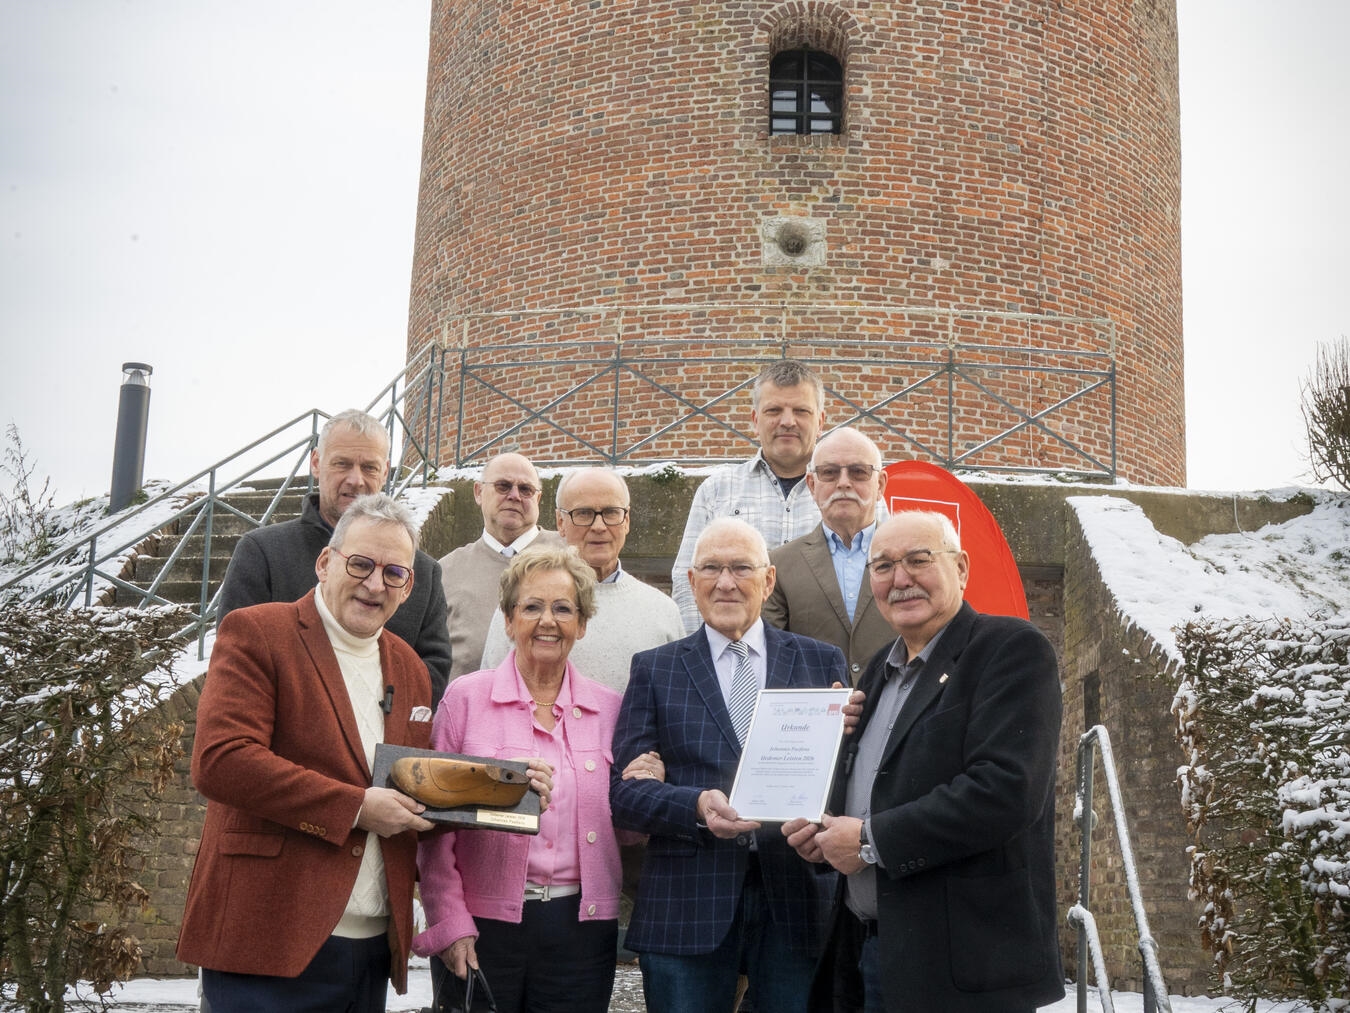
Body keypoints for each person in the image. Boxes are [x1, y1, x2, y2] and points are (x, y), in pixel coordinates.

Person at [783, 511, 1064, 1012]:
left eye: (918, 560)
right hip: (867, 950)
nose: (900, 579)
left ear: (961, 568)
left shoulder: (1010, 649)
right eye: (883, 566)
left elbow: (1005, 791)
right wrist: (824, 833)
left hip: (962, 966)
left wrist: (867, 840)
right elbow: (881, 784)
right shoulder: (879, 668)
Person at [179, 494, 438, 1011]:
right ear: (325, 563)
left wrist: (507, 793)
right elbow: (222, 760)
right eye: (360, 564)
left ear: (408, 587)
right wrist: (357, 807)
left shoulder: (410, 667)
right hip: (267, 937)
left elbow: (409, 787)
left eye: (393, 573)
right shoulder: (258, 631)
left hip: (371, 948)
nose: (374, 585)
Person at [612, 517, 847, 1013]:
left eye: (741, 568)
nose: (725, 582)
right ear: (691, 581)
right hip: (686, 901)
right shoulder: (655, 668)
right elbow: (626, 794)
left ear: (768, 580)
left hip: (796, 897)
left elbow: (843, 779)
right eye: (711, 569)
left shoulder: (821, 663)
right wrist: (695, 805)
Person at [415, 545, 663, 1013]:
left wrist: (647, 784)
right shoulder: (465, 700)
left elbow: (627, 832)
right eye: (532, 607)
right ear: (509, 621)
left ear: (582, 624)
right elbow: (433, 830)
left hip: (582, 931)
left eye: (563, 609)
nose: (548, 621)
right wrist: (448, 921)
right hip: (482, 926)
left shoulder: (611, 709)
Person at [216, 409, 452, 704]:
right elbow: (237, 660)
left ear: (385, 472)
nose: (356, 480)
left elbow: (432, 676)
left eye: (369, 467)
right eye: (342, 464)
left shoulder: (422, 572)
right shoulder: (263, 552)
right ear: (316, 463)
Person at [480, 467, 684, 691]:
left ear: (626, 520)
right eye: (584, 513)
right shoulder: (523, 603)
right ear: (560, 522)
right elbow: (491, 693)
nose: (599, 526)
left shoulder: (663, 611)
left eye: (611, 512)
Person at [670, 359, 826, 633]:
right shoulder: (716, 491)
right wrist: (707, 653)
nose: (787, 421)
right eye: (774, 410)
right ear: (755, 420)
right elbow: (687, 581)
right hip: (732, 652)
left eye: (801, 411)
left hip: (820, 657)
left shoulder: (852, 493)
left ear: (820, 421)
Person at [762, 428, 894, 682]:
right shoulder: (779, 565)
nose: (843, 483)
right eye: (829, 472)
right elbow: (772, 656)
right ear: (812, 485)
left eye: (858, 472)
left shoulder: (912, 560)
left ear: (880, 484)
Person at [438, 452, 564, 680]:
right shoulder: (445, 571)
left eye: (525, 489)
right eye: (503, 486)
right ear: (478, 492)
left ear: (538, 499)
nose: (514, 496)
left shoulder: (570, 556)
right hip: (469, 701)